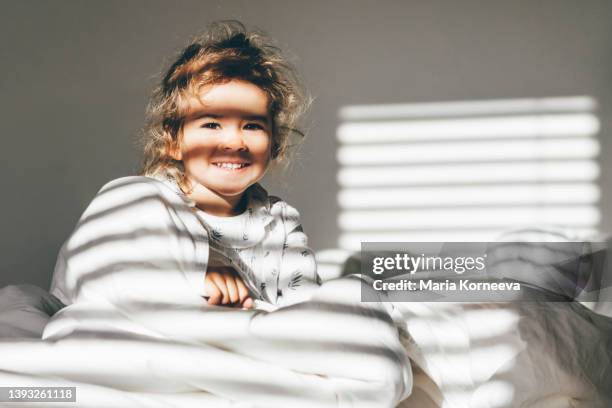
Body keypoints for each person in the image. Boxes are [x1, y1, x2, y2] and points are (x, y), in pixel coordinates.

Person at [49, 21, 320, 311]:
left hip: (246, 335)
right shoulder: (150, 203)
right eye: (212, 124)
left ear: (275, 144)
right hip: (167, 326)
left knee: (359, 290)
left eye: (252, 125)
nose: (234, 142)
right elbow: (117, 266)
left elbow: (307, 307)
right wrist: (195, 269)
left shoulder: (280, 223)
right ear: (173, 141)